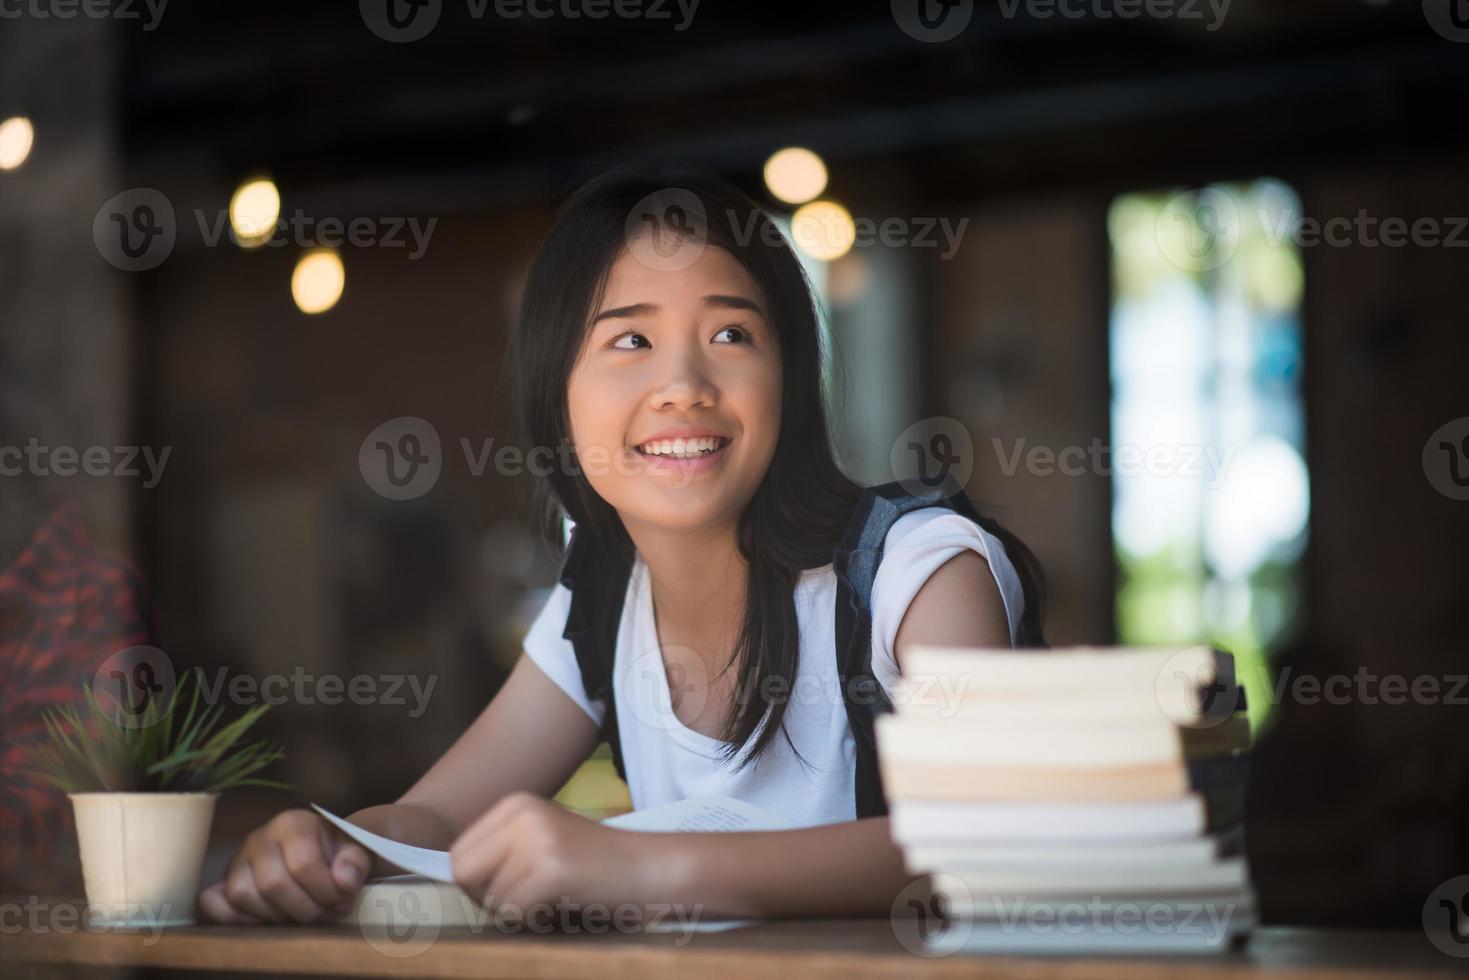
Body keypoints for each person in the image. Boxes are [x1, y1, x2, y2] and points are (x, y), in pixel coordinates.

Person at [197, 165, 1044, 925]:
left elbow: (981, 845)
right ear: (555, 391)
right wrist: (327, 845)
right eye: (630, 341)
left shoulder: (917, 570)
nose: (683, 386)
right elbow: (432, 822)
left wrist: (640, 862)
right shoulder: (604, 590)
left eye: (730, 335)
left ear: (789, 376)